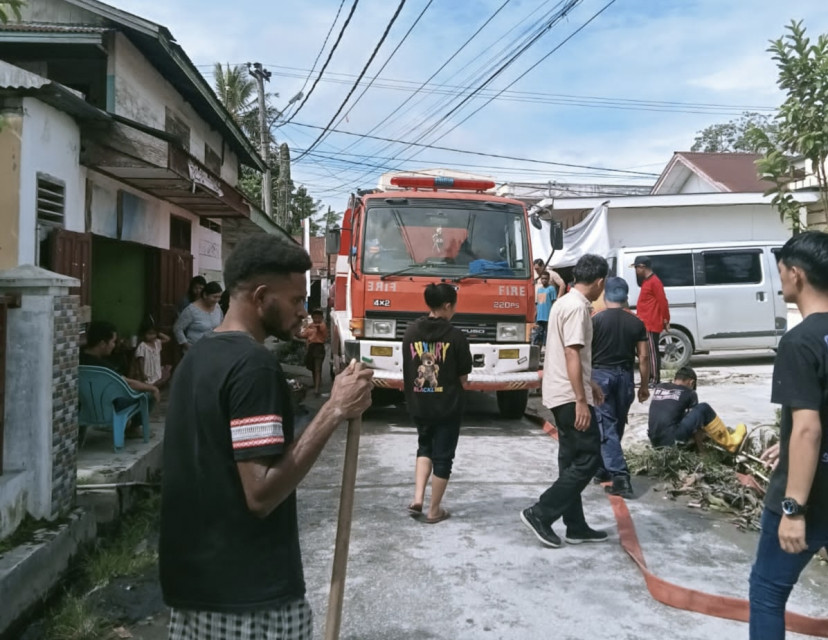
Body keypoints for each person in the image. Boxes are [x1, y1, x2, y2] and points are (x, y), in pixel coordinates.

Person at [159, 234, 374, 640]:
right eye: (295, 300)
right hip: (250, 601)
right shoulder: (253, 366)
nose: (302, 313)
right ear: (261, 296)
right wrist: (334, 409)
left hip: (193, 590)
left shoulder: (199, 356)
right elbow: (260, 495)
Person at [748, 231, 828, 640]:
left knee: (767, 591)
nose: (779, 281)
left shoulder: (799, 342)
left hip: (813, 499)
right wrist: (792, 440)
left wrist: (794, 509)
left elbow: (810, 427)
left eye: (780, 272)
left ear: (796, 274)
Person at [520, 254, 609, 548]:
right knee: (589, 457)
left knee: (570, 459)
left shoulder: (563, 302)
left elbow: (566, 354)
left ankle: (576, 525)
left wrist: (589, 382)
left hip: (560, 390)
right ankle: (541, 513)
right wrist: (581, 400)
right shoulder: (578, 309)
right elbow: (572, 352)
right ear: (599, 282)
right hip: (570, 397)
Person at [403, 283, 472, 525]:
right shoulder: (456, 336)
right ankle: (434, 510)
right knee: (443, 457)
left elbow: (408, 370)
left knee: (424, 448)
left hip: (419, 404)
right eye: (453, 305)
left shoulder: (410, 332)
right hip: (447, 406)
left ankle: (418, 498)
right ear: (446, 305)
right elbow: (463, 377)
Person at [590, 277, 650, 498]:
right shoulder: (636, 322)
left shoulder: (595, 320)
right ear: (626, 298)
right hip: (625, 376)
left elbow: (585, 354)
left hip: (601, 376)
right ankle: (604, 468)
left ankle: (620, 476)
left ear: (605, 296)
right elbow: (643, 357)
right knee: (617, 422)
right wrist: (644, 385)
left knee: (606, 426)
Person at [647, 366, 746, 452]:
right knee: (703, 408)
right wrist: (702, 451)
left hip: (654, 441)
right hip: (672, 440)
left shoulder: (660, 387)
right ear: (691, 382)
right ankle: (731, 443)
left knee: (679, 415)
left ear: (675, 379)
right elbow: (696, 427)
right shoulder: (690, 393)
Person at [80, 320, 160, 406]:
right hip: (106, 407)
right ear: (102, 343)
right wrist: (152, 388)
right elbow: (127, 383)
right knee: (147, 398)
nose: (114, 345)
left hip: (84, 406)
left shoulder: (77, 358)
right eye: (113, 341)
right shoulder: (104, 369)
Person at [632, 256, 670, 386]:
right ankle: (647, 378)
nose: (636, 270)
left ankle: (655, 379)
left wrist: (666, 319)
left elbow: (663, 302)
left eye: (636, 267)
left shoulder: (655, 282)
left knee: (652, 353)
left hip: (651, 323)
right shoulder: (646, 281)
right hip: (644, 323)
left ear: (642, 267)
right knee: (645, 353)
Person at [173, 280, 223, 350]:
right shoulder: (191, 310)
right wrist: (186, 345)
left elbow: (221, 325)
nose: (217, 300)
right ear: (205, 295)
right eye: (214, 297)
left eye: (219, 297)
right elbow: (177, 329)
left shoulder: (217, 307)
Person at [133, 321, 172, 389]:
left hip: (156, 371)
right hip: (147, 372)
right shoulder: (142, 346)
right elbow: (140, 361)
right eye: (149, 334)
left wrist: (158, 333)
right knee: (148, 384)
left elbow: (167, 339)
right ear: (144, 334)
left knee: (162, 378)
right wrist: (142, 374)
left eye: (153, 334)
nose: (152, 336)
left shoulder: (157, 343)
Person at [300, 308, 328, 397]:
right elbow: (304, 335)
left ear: (322, 318)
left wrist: (316, 327)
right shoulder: (310, 326)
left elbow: (321, 330)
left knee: (317, 368)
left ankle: (317, 389)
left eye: (319, 317)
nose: (317, 319)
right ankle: (316, 383)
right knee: (312, 367)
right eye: (315, 317)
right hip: (311, 348)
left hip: (319, 348)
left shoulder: (322, 325)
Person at [532, 271, 557, 347]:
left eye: (546, 279)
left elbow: (554, 302)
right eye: (542, 278)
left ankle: (546, 352)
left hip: (548, 316)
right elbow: (538, 303)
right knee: (538, 335)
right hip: (540, 317)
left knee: (547, 335)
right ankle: (538, 354)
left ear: (549, 279)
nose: (544, 280)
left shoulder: (551, 289)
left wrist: (553, 315)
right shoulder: (539, 289)